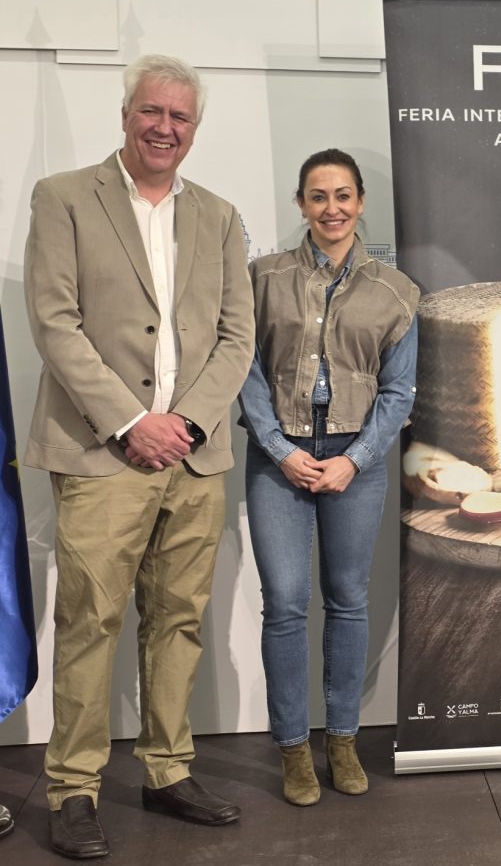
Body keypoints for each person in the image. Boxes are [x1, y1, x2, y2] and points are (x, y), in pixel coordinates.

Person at [23, 55, 254, 858]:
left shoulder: (219, 216)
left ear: (195, 128)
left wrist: (183, 422)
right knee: (90, 621)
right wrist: (131, 421)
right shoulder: (62, 198)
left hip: (193, 455)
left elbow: (237, 337)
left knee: (179, 619)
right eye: (152, 112)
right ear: (126, 116)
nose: (164, 128)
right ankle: (73, 789)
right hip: (102, 455)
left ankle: (167, 769)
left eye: (179, 117)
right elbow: (55, 323)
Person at [238, 149, 419, 807]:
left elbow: (399, 393)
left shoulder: (396, 292)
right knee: (286, 602)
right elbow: (245, 369)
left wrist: (356, 458)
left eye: (343, 195)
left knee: (347, 599)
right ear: (301, 204)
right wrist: (278, 448)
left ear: (360, 202)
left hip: (354, 463)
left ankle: (342, 740)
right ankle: (293, 748)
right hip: (279, 458)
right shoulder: (262, 278)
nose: (332, 208)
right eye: (318, 196)